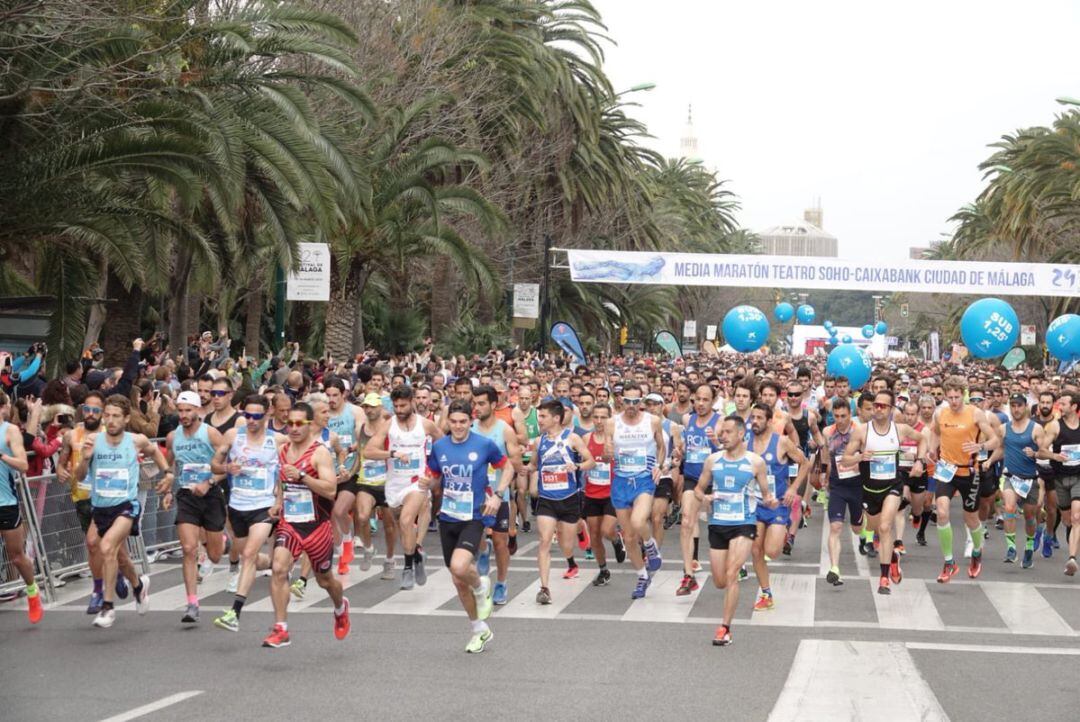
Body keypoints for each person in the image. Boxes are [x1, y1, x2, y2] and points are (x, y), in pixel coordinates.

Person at [423, 399, 512, 653]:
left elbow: (507, 468)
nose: (459, 426)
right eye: (454, 422)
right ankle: (479, 629)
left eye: (463, 421)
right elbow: (435, 476)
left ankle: (482, 585)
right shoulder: (440, 447)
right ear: (448, 422)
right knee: (458, 580)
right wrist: (426, 483)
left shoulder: (484, 445)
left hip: (474, 516)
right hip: (448, 517)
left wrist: (498, 494)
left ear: (471, 421)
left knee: (460, 566)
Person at [74, 395, 166, 628]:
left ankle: (107, 607)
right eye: (108, 416)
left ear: (126, 418)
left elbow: (155, 452)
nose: (111, 420)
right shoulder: (93, 440)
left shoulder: (137, 440)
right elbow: (79, 476)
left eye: (116, 416)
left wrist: (168, 473)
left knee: (107, 548)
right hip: (101, 507)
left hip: (126, 506)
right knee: (109, 551)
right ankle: (138, 586)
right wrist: (84, 460)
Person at [263, 402, 350, 648]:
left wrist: (302, 476)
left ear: (310, 425)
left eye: (299, 423)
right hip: (290, 523)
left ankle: (339, 606)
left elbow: (331, 489)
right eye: (289, 423)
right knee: (279, 568)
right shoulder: (282, 451)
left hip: (316, 527)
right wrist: (278, 502)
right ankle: (281, 628)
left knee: (325, 580)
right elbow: (283, 482)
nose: (293, 428)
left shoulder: (319, 453)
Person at [696, 414, 778, 647]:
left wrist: (770, 501)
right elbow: (698, 490)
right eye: (721, 433)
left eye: (728, 432)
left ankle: (725, 628)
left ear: (741, 434)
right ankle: (725, 621)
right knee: (720, 580)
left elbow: (765, 492)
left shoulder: (755, 462)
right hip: (718, 523)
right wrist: (706, 497)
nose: (723, 436)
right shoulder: (712, 461)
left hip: (744, 523)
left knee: (732, 574)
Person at [841, 389, 925, 595]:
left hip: (892, 486)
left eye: (883, 406)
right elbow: (845, 459)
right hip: (869, 489)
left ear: (891, 409)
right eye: (875, 405)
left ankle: (884, 578)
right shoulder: (862, 431)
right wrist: (860, 457)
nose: (878, 409)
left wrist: (920, 461)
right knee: (874, 527)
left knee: (886, 528)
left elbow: (923, 439)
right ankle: (893, 558)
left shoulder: (901, 429)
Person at [57, 390, 133, 614]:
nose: (90, 414)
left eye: (96, 410)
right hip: (82, 498)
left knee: (113, 550)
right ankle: (100, 588)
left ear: (103, 413)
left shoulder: (110, 434)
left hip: (109, 499)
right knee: (93, 547)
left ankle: (120, 579)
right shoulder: (72, 435)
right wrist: (61, 470)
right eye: (87, 409)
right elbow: (61, 462)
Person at [210, 394, 280, 632]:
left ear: (266, 415)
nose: (251, 420)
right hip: (238, 505)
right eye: (247, 415)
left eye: (257, 416)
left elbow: (289, 470)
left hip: (263, 506)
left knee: (249, 554)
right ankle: (274, 562)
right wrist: (227, 467)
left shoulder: (277, 441)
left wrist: (279, 500)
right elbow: (214, 465)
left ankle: (234, 613)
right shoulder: (232, 437)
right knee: (250, 557)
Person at [362, 385, 443, 590]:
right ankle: (416, 555)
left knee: (407, 520)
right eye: (396, 406)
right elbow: (369, 451)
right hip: (394, 483)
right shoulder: (389, 425)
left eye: (403, 405)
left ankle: (407, 568)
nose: (399, 410)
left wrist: (433, 475)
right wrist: (392, 454)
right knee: (402, 525)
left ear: (412, 402)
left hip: (417, 482)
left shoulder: (426, 425)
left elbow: (444, 448)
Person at [161, 390, 228, 623]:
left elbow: (227, 466)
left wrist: (209, 482)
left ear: (198, 411)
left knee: (215, 556)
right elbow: (169, 465)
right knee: (189, 549)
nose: (184, 415)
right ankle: (192, 603)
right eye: (180, 410)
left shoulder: (210, 434)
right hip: (187, 496)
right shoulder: (173, 437)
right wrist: (169, 486)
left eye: (188, 410)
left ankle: (221, 542)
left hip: (211, 496)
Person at [927, 376, 1001, 582]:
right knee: (941, 512)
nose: (953, 401)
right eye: (949, 397)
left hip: (969, 472)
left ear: (963, 394)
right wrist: (932, 449)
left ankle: (977, 552)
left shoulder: (975, 414)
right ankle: (949, 562)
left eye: (957, 397)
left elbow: (996, 439)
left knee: (971, 519)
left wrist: (981, 447)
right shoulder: (941, 413)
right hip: (946, 470)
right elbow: (935, 433)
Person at [529, 399, 594, 603]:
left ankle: (578, 534)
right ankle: (544, 588)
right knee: (544, 541)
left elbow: (590, 460)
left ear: (556, 418)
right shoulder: (539, 441)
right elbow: (533, 464)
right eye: (539, 416)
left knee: (567, 545)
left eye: (543, 416)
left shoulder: (572, 438)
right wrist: (523, 469)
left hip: (569, 498)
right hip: (547, 499)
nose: (540, 420)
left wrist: (577, 466)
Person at [605, 383, 666, 599]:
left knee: (640, 521)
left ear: (641, 401)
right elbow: (606, 452)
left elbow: (661, 446)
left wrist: (658, 466)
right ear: (620, 400)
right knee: (629, 538)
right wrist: (608, 452)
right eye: (627, 401)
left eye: (635, 401)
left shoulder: (653, 421)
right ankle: (642, 576)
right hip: (621, 481)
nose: (631, 406)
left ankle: (650, 546)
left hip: (643, 480)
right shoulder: (612, 423)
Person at [746, 402, 809, 611]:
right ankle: (766, 593)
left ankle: (783, 527)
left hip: (777, 504)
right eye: (752, 417)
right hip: (754, 503)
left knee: (772, 551)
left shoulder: (781, 442)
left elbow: (805, 463)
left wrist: (794, 489)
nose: (754, 422)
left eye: (759, 418)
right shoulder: (744, 441)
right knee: (756, 551)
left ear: (769, 421)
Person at [471, 385, 521, 605]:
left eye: (481, 403)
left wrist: (501, 467)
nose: (477, 407)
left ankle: (501, 582)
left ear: (493, 405)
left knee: (501, 541)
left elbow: (516, 462)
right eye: (475, 403)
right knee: (476, 536)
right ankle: (483, 549)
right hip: (474, 494)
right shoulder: (469, 428)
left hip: (498, 494)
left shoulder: (505, 430)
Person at [987, 394, 1043, 569]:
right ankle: (1011, 548)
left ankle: (1028, 545)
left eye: (1019, 405)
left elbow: (1043, 452)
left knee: (1029, 517)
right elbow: (1001, 448)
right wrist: (989, 461)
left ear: (1025, 407)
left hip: (1030, 479)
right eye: (1013, 405)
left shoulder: (1036, 429)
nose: (1016, 409)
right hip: (1011, 477)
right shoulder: (1004, 428)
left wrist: (1034, 453)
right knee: (1009, 508)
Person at [0, 390, 42, 624]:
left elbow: (24, 464)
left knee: (16, 557)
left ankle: (32, 591)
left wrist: (2, 457)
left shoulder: (10, 431)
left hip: (6, 503)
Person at [677, 383, 721, 593]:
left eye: (706, 400)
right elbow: (687, 447)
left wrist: (716, 442)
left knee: (720, 530)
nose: (701, 404)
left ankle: (732, 565)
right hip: (693, 478)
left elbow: (727, 450)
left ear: (713, 401)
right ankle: (688, 574)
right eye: (698, 400)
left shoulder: (720, 421)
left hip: (715, 480)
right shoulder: (688, 419)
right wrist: (680, 452)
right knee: (686, 521)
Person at [352, 393, 397, 579]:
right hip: (366, 481)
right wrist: (350, 471)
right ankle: (369, 548)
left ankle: (390, 559)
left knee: (389, 526)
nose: (369, 410)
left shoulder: (390, 428)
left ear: (380, 407)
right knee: (362, 517)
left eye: (372, 406)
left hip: (386, 481)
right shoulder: (360, 429)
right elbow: (360, 455)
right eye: (366, 407)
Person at [582, 403, 626, 586]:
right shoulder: (586, 438)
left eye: (603, 417)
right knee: (594, 535)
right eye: (596, 417)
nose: (599, 421)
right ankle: (603, 570)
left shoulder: (616, 439)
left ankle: (617, 539)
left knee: (607, 530)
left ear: (610, 418)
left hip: (612, 492)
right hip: (592, 493)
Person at [1038, 390, 1080, 576]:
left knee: (1077, 517)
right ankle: (1072, 535)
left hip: (1078, 476)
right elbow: (1040, 451)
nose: (1060, 407)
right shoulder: (1055, 426)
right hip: (1060, 478)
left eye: (1063, 404)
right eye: (1059, 404)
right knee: (1067, 518)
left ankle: (1072, 558)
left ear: (1074, 406)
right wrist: (1056, 456)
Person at [821, 397, 861, 585]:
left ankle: (865, 532)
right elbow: (825, 454)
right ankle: (834, 568)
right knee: (835, 526)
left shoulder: (859, 431)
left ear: (850, 414)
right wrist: (823, 473)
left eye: (843, 416)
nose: (840, 419)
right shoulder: (828, 432)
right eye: (836, 416)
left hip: (857, 485)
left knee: (856, 528)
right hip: (837, 485)